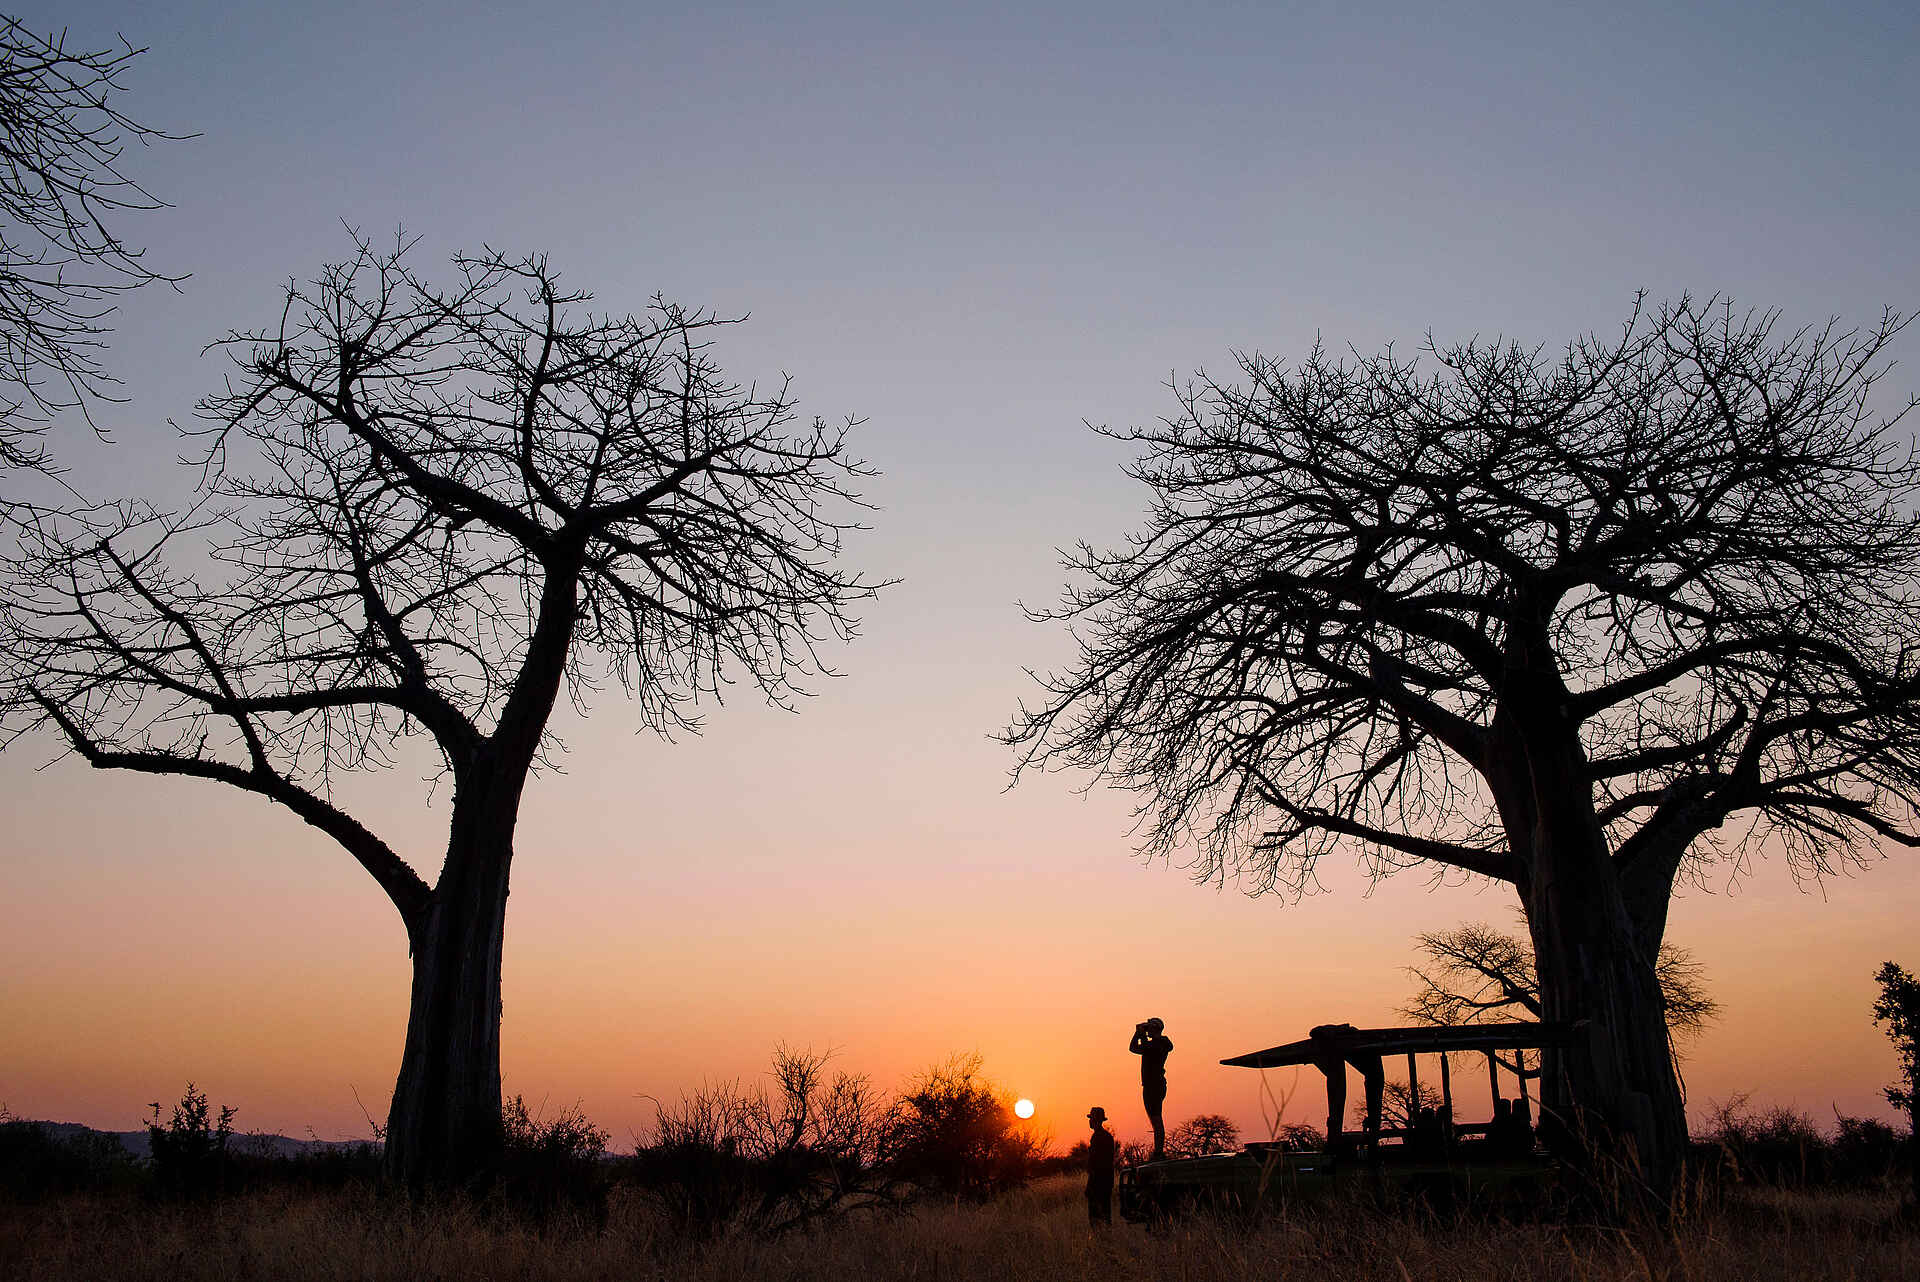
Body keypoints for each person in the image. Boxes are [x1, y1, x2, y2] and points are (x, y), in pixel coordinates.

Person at [1129, 1017, 1173, 1159]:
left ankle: (1159, 1152)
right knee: (1155, 1119)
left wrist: (1140, 1034)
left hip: (1153, 1085)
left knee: (1156, 1119)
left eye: (1150, 1027)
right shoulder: (1158, 1044)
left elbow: (1137, 1047)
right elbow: (1134, 1048)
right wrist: (1139, 1034)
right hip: (1154, 1084)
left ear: (1155, 1028)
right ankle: (1158, 1151)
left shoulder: (1158, 1044)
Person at [1085, 1106, 1116, 1225]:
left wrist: (1090, 1185)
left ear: (1095, 1120)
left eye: (1091, 1118)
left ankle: (1100, 1240)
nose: (1090, 1121)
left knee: (1095, 1218)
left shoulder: (1097, 1137)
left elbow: (1095, 1163)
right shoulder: (1107, 1136)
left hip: (1098, 1181)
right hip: (1107, 1181)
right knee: (1105, 1215)